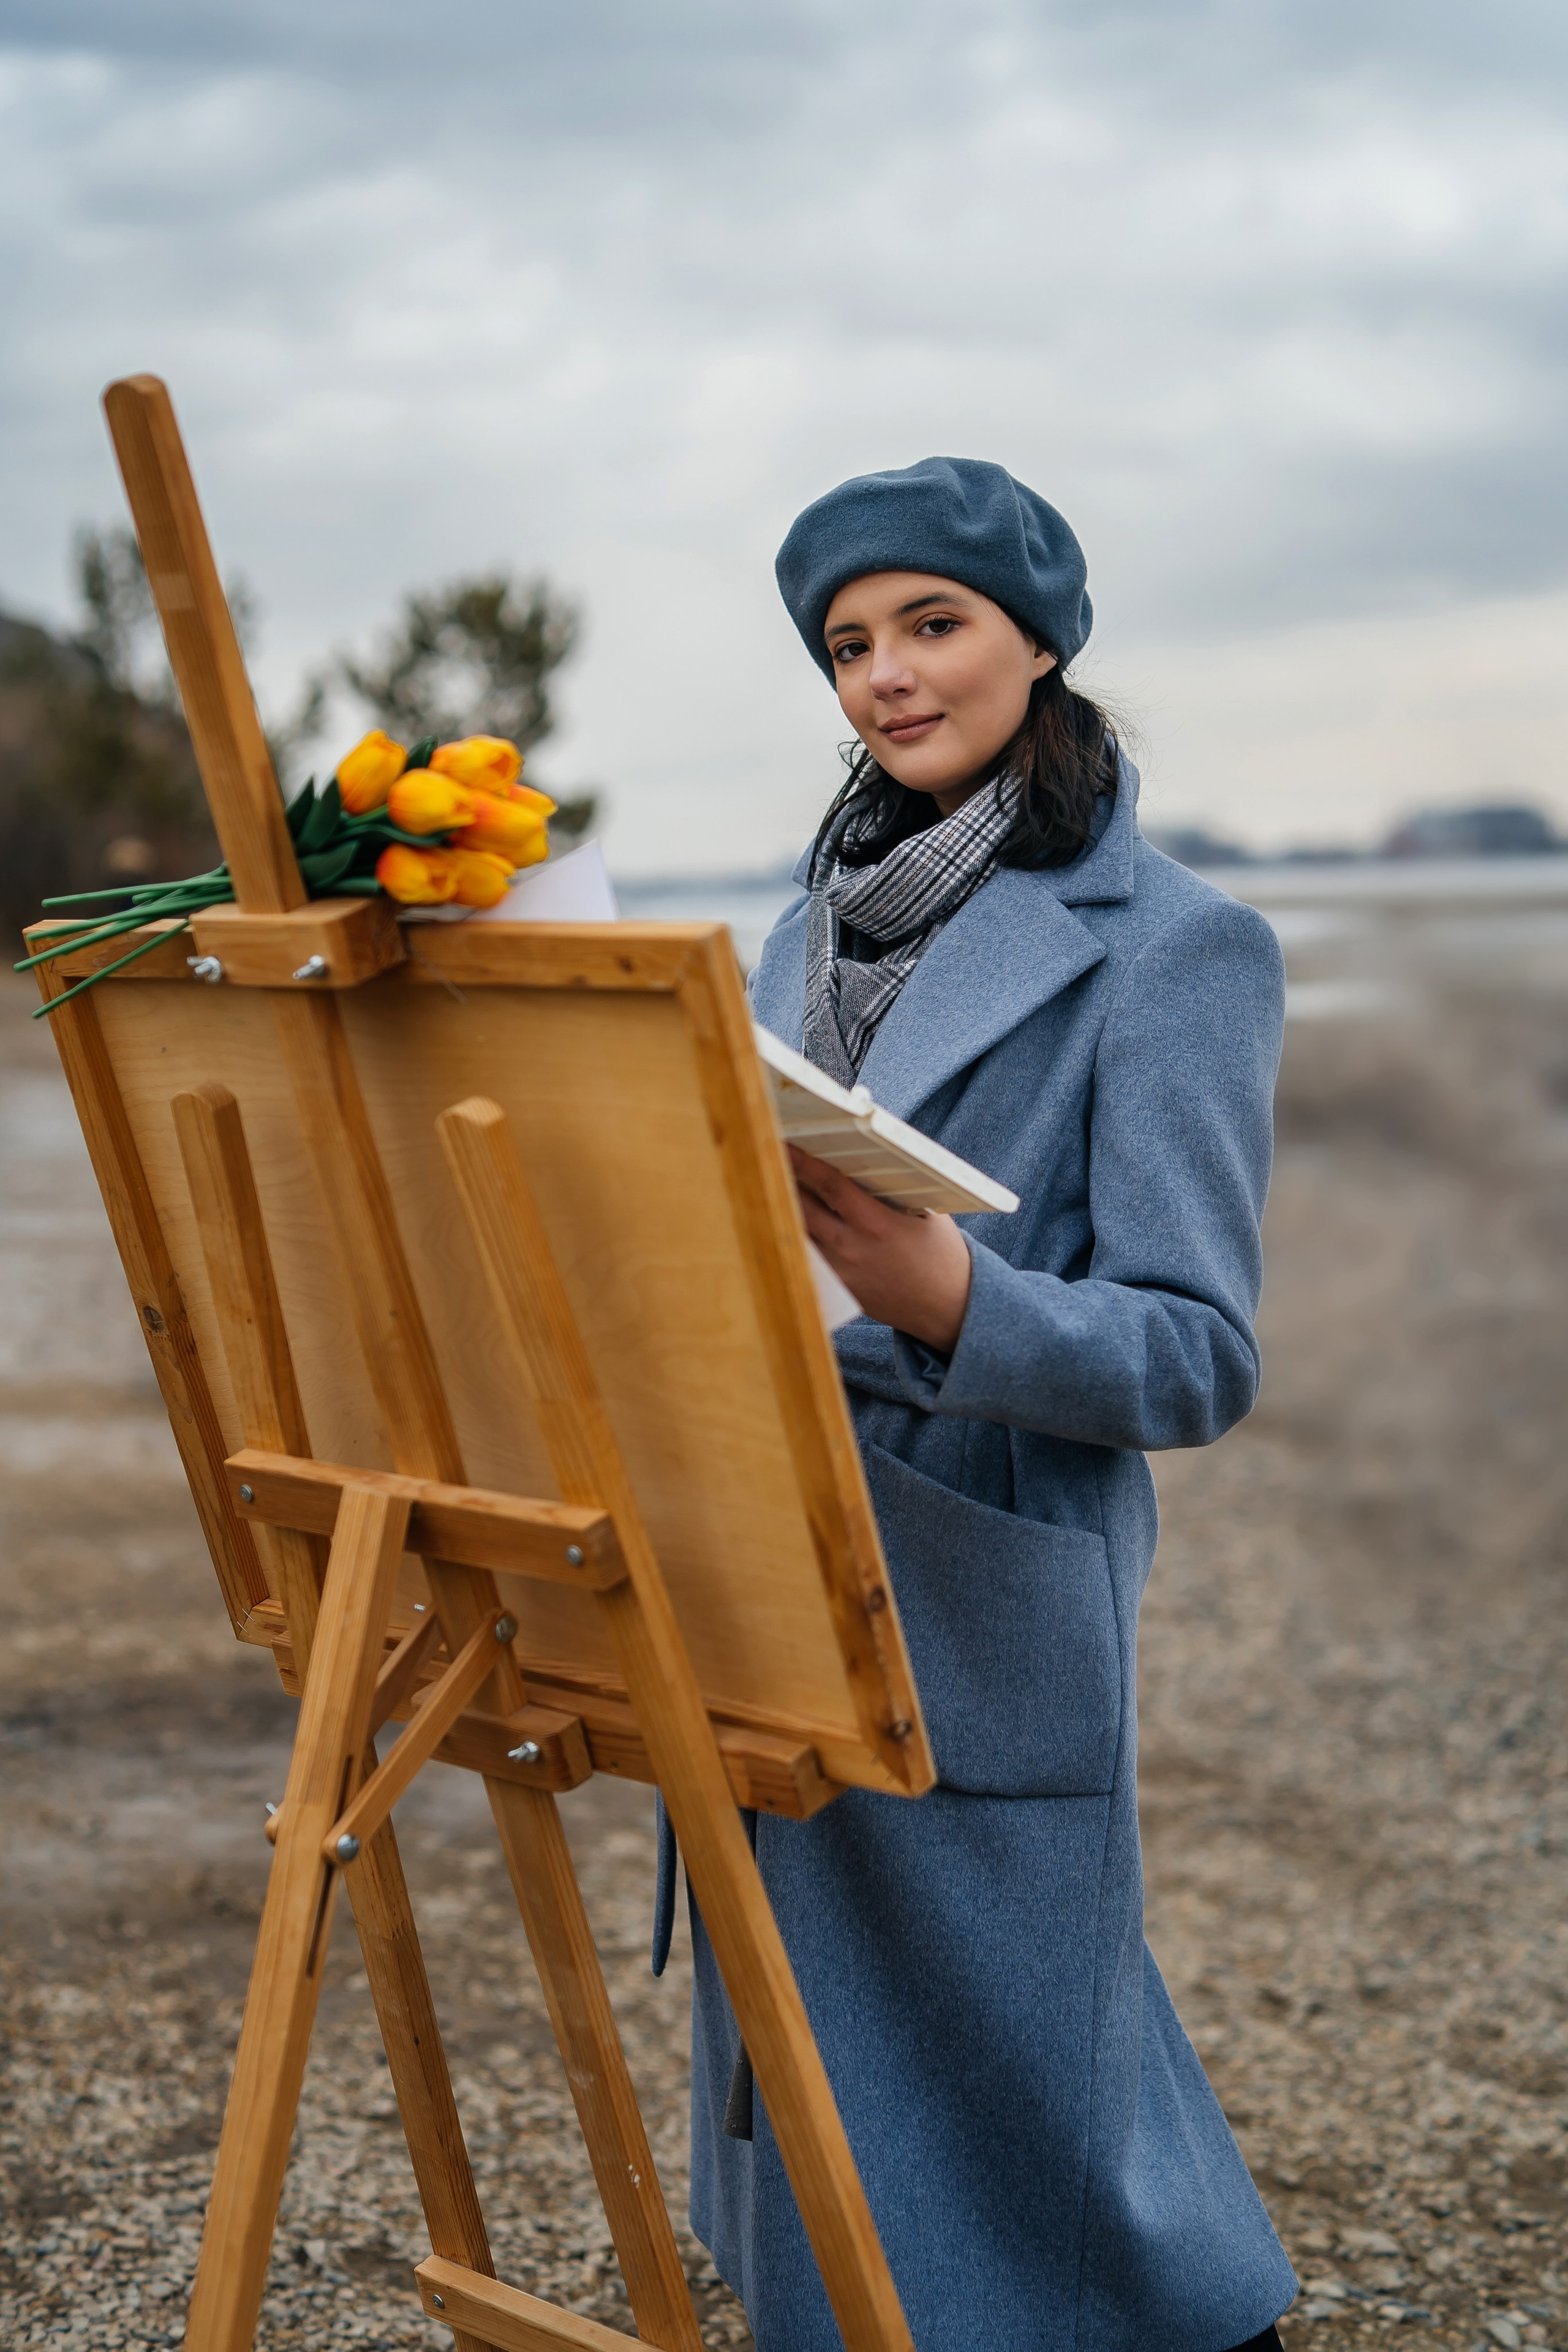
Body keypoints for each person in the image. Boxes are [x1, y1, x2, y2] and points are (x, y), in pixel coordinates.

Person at [653, 456, 1297, 2352]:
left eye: (931, 624)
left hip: (983, 1577)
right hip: (771, 1563)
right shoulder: (796, 938)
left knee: (1049, 2102)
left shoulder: (1178, 944)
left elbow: (1198, 1351)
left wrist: (952, 1299)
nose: (887, 676)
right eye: (849, 644)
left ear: (1039, 638)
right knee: (808, 2097)